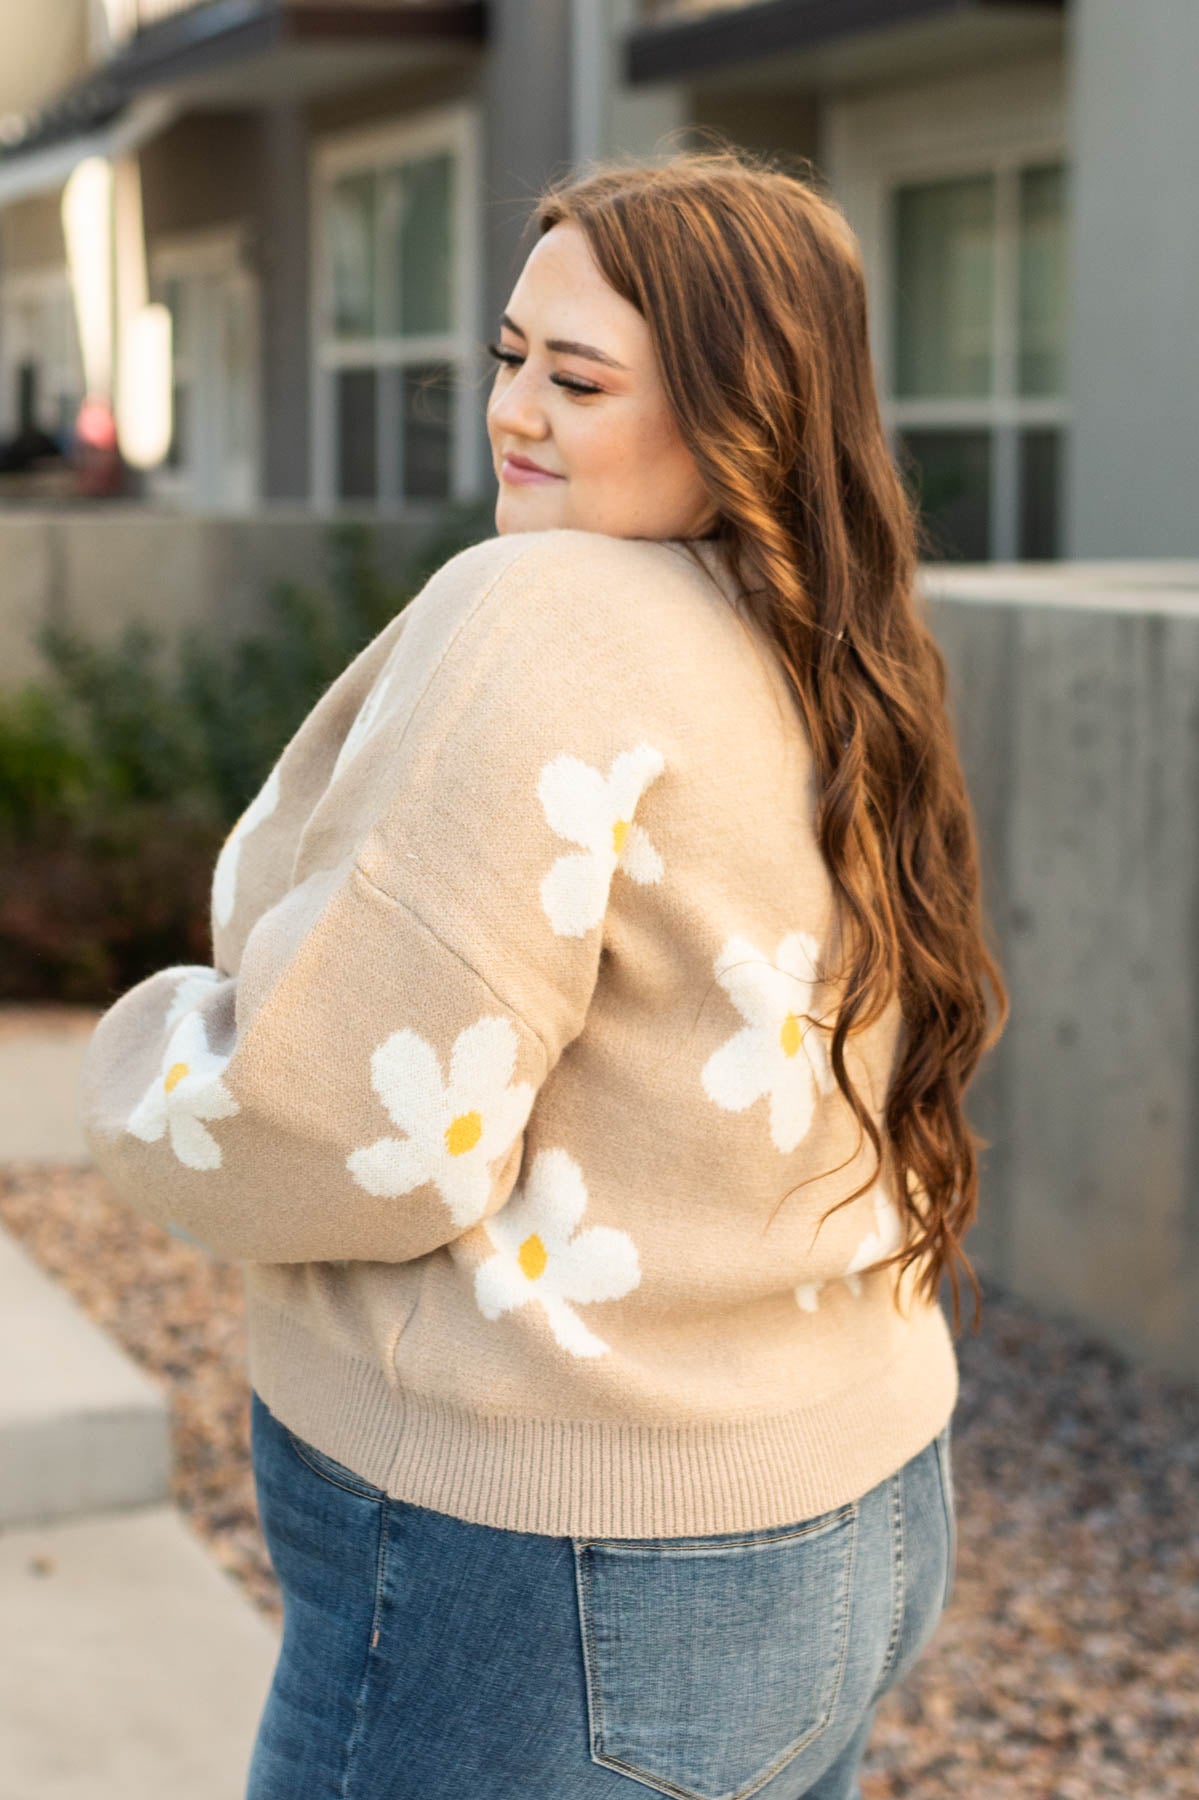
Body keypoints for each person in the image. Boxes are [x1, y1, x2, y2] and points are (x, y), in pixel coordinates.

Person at [77, 145, 1007, 1799]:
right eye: (511, 356)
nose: (517, 410)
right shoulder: (835, 639)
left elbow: (348, 1124)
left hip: (563, 1567)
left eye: (579, 378)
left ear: (749, 415)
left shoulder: (548, 612)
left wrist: (139, 1061)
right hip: (859, 1509)